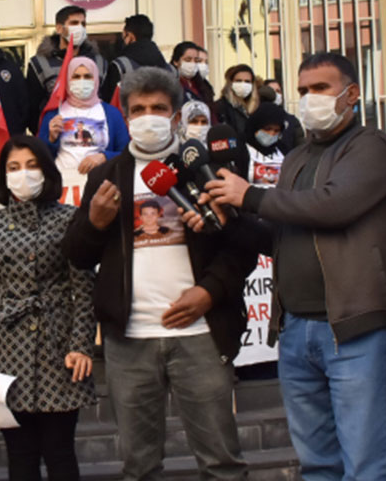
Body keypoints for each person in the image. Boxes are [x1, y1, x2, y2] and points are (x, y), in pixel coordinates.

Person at [207, 52, 386, 480]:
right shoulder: (296, 159)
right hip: (296, 331)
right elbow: (278, 235)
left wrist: (252, 197)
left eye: (320, 89)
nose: (308, 99)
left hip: (356, 328)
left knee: (366, 464)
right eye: (302, 91)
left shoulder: (371, 145)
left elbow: (334, 205)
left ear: (351, 93)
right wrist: (231, 219)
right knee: (317, 464)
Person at [65, 67, 258, 481]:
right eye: (138, 110)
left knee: (222, 462)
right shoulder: (106, 175)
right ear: (125, 116)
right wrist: (94, 222)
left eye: (158, 108)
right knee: (139, 467)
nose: (148, 117)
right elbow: (77, 256)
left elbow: (240, 248)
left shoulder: (202, 168)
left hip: (201, 336)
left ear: (175, 116)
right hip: (130, 341)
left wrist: (208, 292)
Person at [0, 135, 96, 481]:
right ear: (3, 176)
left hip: (58, 350)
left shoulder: (70, 218)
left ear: (47, 170)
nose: (23, 174)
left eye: (31, 165)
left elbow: (83, 289)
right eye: (13, 167)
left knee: (60, 451)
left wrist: (81, 345)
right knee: (20, 454)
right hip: (7, 350)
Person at [39, 57, 129, 207]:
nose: (82, 81)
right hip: (63, 190)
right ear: (68, 80)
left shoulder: (111, 113)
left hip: (101, 189)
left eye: (87, 76)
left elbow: (126, 152)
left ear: (96, 79)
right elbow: (41, 156)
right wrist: (51, 138)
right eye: (76, 76)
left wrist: (104, 156)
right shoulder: (54, 114)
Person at [27, 5, 107, 122]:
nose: (80, 28)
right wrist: (46, 131)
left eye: (83, 24)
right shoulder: (40, 63)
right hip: (54, 131)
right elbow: (33, 106)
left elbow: (104, 97)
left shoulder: (99, 62)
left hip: (92, 129)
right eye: (74, 23)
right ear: (59, 28)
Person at [99, 14, 171, 104]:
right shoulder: (170, 70)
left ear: (130, 36)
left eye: (124, 36)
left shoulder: (120, 66)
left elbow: (109, 101)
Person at [242, 102, 288, 188]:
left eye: (276, 131)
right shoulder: (242, 150)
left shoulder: (283, 151)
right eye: (268, 129)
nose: (272, 134)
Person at [216, 64, 259, 138]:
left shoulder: (257, 107)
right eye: (238, 81)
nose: (243, 84)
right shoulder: (221, 106)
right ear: (231, 83)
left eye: (247, 81)